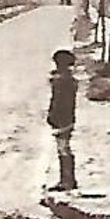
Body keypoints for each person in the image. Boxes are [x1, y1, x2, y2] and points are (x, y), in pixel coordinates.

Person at [46, 49, 78, 192]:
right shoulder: (67, 80)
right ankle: (67, 179)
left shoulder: (62, 82)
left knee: (63, 149)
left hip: (63, 118)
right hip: (67, 117)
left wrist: (52, 115)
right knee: (63, 148)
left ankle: (67, 180)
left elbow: (58, 102)